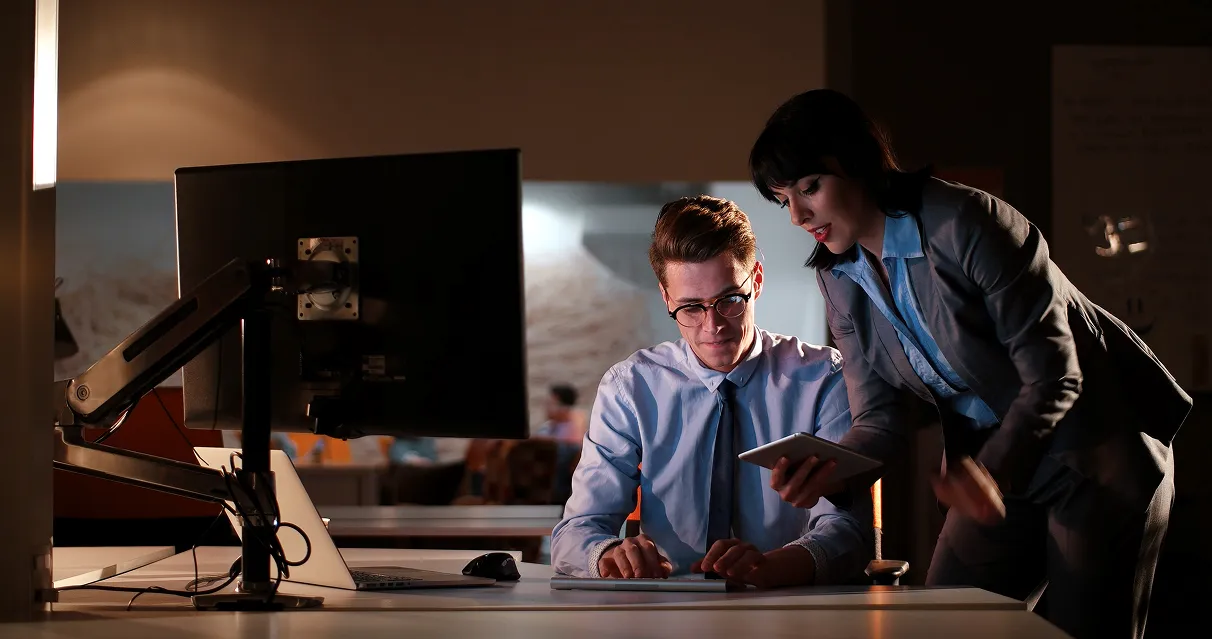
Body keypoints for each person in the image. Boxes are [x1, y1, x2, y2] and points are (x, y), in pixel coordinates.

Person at [748, 88, 1189, 638]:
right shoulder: (839, 278)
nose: (797, 215)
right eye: (782, 198)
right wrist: (831, 468)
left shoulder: (967, 220)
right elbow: (879, 419)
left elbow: (1056, 374)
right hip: (995, 468)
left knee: (1084, 629)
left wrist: (989, 472)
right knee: (944, 623)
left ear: (857, 161)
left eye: (809, 187)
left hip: (1093, 449)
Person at [550, 195, 873, 588]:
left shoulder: (824, 379)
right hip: (668, 606)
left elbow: (849, 532)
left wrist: (776, 566)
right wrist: (606, 555)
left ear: (755, 281)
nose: (713, 326)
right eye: (690, 308)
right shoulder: (630, 388)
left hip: (789, 601)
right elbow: (575, 532)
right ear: (667, 298)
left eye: (729, 301)